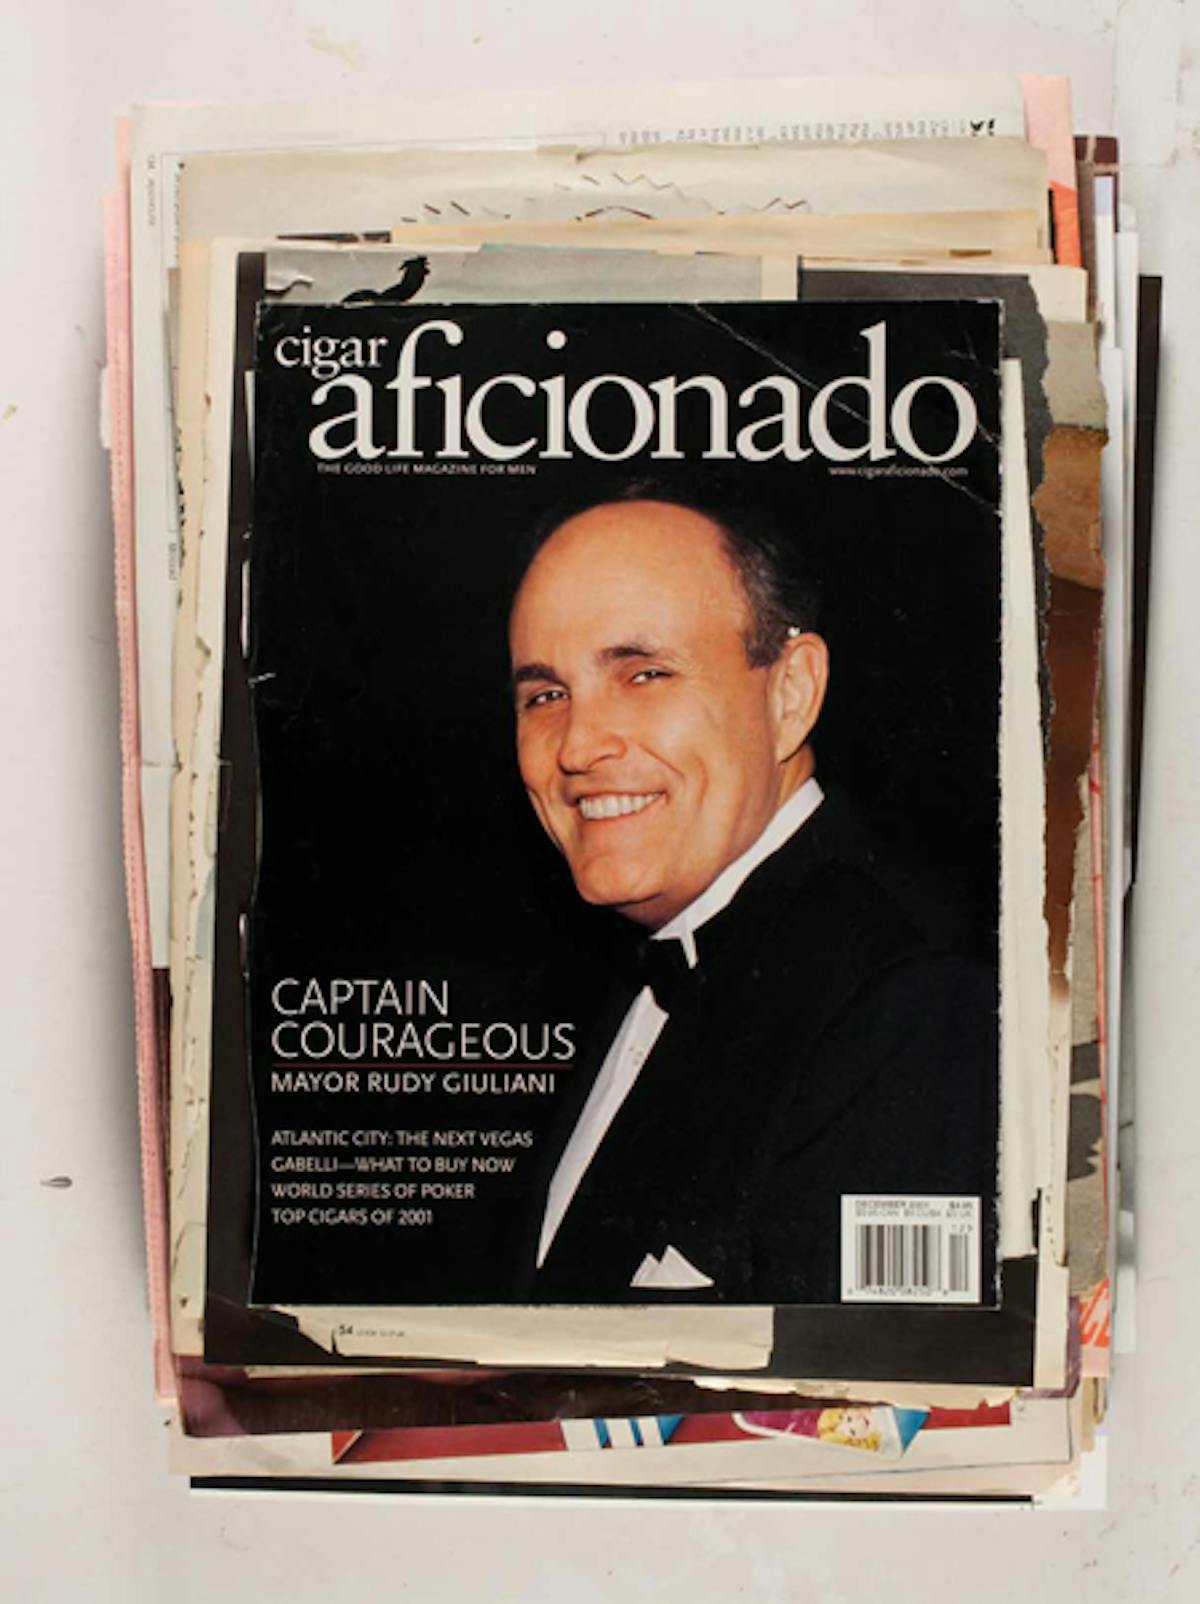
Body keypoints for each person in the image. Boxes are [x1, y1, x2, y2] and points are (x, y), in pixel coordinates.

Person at [508, 489, 997, 1304]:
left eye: (645, 674)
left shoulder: (915, 1006)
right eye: (544, 696)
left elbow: (883, 1376)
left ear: (790, 693)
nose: (579, 746)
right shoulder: (648, 960)